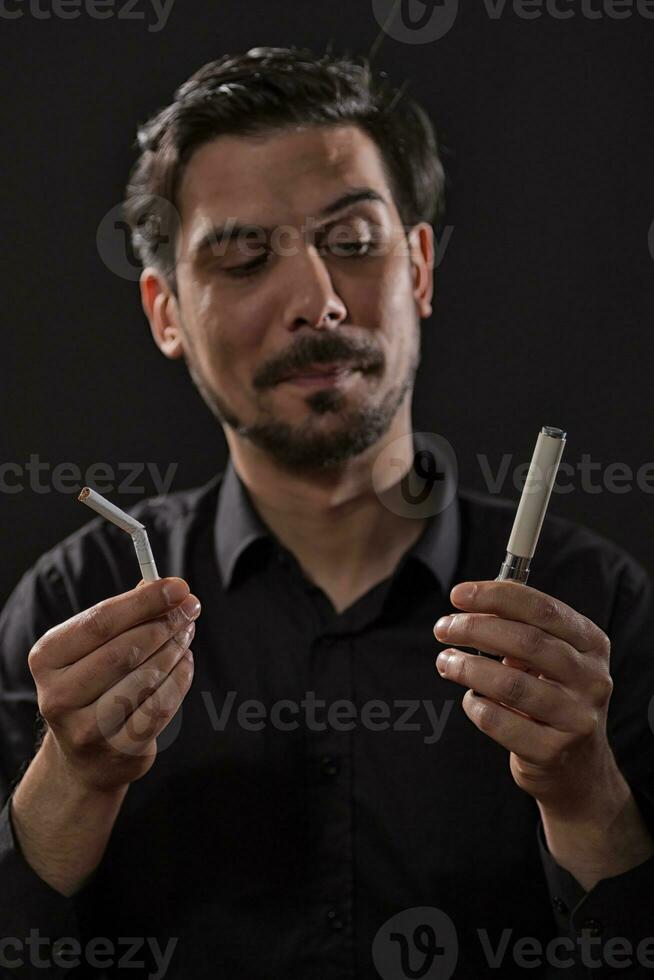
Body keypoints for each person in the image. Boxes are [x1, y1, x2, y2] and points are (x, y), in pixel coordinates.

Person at [1, 46, 653, 980]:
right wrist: (75, 778)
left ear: (419, 268)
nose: (317, 300)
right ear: (166, 313)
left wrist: (588, 798)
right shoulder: (73, 608)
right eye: (240, 256)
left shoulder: (595, 608)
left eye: (352, 244)